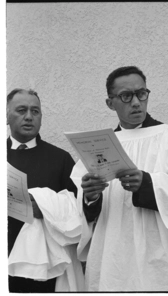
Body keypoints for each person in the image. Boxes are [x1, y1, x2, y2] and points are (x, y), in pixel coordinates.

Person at [70, 66, 168, 291]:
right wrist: (90, 197)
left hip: (158, 249)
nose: (136, 102)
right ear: (110, 102)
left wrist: (147, 183)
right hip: (111, 250)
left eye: (141, 93)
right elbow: (83, 210)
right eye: (126, 96)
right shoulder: (97, 146)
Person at [7, 88, 78, 292]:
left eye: (35, 111)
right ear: (6, 115)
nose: (29, 117)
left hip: (45, 265)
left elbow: (77, 210)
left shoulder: (61, 159)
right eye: (21, 110)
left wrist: (47, 210)